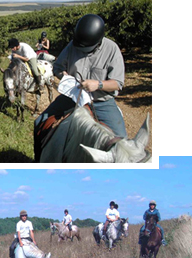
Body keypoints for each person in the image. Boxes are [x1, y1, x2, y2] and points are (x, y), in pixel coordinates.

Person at [34, 14, 127, 161]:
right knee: (40, 122)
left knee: (122, 144)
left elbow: (117, 83)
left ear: (99, 41)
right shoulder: (72, 45)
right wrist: (64, 76)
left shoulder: (112, 49)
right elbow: (58, 67)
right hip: (72, 98)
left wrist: (98, 84)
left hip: (101, 102)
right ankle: (39, 160)